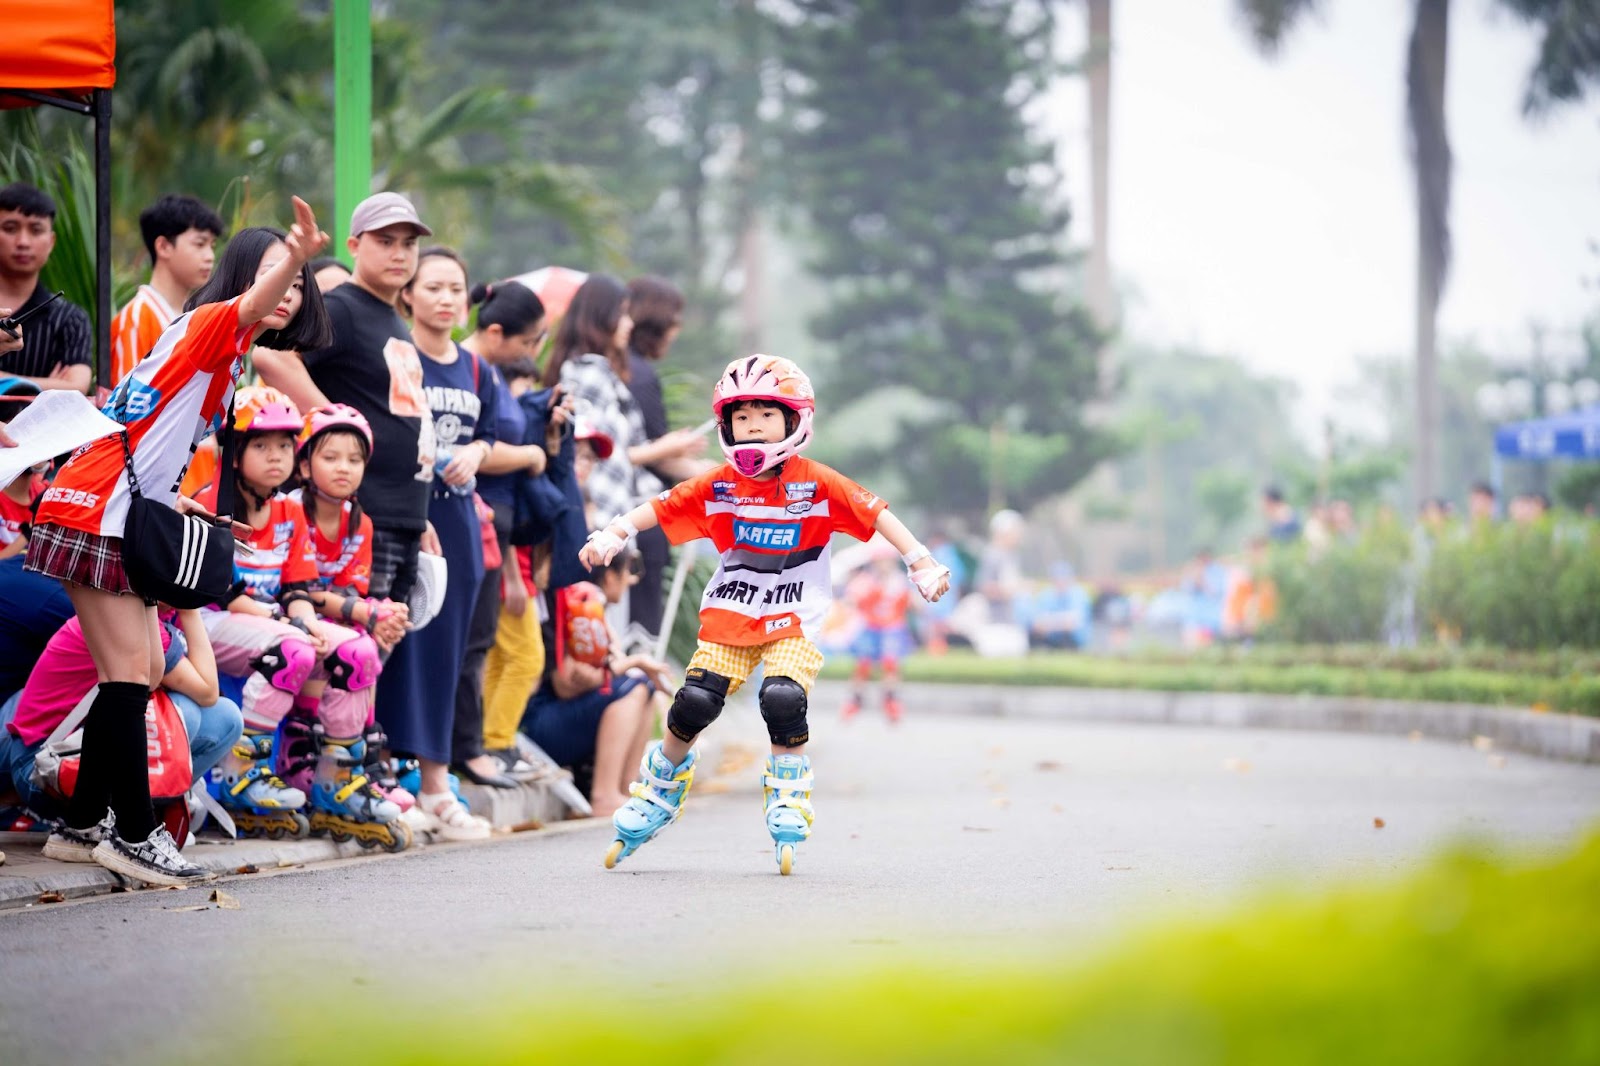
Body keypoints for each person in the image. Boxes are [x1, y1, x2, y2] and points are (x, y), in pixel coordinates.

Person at [23, 195, 331, 886]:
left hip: (112, 504)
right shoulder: (213, 325)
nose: (290, 289)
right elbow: (252, 306)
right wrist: (299, 256)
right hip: (100, 509)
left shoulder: (220, 350)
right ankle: (133, 834)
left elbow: (146, 433)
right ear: (248, 277)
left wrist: (180, 499)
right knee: (131, 676)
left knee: (126, 678)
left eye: (301, 282)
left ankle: (83, 828)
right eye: (279, 272)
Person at [580, 354, 951, 874]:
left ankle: (788, 791)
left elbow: (876, 513)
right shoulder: (721, 483)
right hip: (732, 610)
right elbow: (662, 506)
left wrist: (922, 562)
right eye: (742, 416)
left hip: (794, 615)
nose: (752, 426)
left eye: (766, 415)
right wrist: (614, 533)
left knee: (782, 697)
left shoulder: (816, 482)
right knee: (694, 702)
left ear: (795, 419)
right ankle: (660, 785)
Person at [198, 388, 407, 847]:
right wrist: (292, 625)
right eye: (261, 446)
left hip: (271, 623)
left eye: (284, 447)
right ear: (235, 453)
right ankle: (239, 774)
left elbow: (297, 589)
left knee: (357, 650)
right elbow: (229, 597)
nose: (276, 457)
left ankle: (337, 783)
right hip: (210, 625)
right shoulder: (216, 505)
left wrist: (306, 621)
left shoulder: (290, 510)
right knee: (290, 648)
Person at [253, 191, 437, 610]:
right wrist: (334, 424)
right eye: (385, 241)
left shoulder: (391, 318)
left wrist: (418, 514)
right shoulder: (344, 308)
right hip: (360, 513)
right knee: (351, 658)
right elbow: (269, 353)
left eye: (409, 243)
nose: (399, 253)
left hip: (402, 515)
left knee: (377, 655)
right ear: (354, 246)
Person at [389, 247, 498, 839]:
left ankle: (436, 785)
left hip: (458, 523)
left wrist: (478, 453)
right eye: (433, 287)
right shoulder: (398, 356)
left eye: (456, 287)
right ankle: (387, 776)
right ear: (409, 293)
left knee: (448, 654)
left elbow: (495, 436)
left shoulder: (478, 369)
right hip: (408, 515)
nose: (447, 298)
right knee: (397, 646)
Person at [1, 607, 243, 839]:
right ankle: (127, 825)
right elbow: (207, 691)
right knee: (183, 711)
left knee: (226, 718)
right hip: (41, 769)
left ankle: (143, 815)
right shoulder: (129, 620)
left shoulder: (153, 618)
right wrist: (190, 611)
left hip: (67, 755)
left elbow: (212, 699)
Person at [542, 275, 702, 620]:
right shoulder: (588, 373)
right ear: (602, 317)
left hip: (609, 520)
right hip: (597, 517)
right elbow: (598, 452)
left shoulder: (598, 372)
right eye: (623, 313)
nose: (629, 324)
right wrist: (665, 448)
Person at [460, 281, 565, 776]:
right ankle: (479, 747)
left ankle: (482, 745)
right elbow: (471, 450)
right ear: (497, 331)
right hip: (475, 522)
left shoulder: (494, 374)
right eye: (528, 343)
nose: (532, 354)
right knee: (492, 651)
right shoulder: (471, 369)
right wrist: (529, 454)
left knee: (487, 649)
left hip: (497, 530)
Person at [523, 551, 672, 816]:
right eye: (628, 572)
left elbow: (609, 668)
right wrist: (634, 663)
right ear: (611, 576)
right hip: (540, 724)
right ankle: (604, 795)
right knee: (633, 688)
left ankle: (625, 790)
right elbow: (567, 682)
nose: (632, 581)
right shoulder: (574, 607)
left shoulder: (592, 608)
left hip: (562, 721)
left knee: (643, 687)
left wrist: (632, 667)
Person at [623, 276, 707, 639]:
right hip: (641, 518)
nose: (677, 328)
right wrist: (712, 474)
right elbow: (654, 455)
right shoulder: (638, 375)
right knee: (641, 635)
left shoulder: (610, 368)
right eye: (674, 318)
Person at [110, 194, 225, 386]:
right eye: (200, 244)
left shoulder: (195, 315)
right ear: (163, 246)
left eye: (212, 246)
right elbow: (125, 407)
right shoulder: (136, 319)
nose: (210, 256)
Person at [0, 183, 92, 393]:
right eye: (10, 229)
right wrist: (47, 386)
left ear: (51, 242)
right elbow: (64, 389)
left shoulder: (70, 319)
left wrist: (3, 380)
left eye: (36, 230)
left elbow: (76, 388)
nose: (23, 242)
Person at [840, 547, 914, 722]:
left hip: (892, 628)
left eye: (887, 562)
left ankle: (890, 699)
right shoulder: (866, 581)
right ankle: (855, 699)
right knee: (863, 664)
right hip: (871, 627)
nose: (884, 566)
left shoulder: (899, 581)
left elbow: (909, 603)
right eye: (881, 562)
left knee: (890, 663)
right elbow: (852, 600)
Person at [1023, 561, 1093, 650]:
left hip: (1072, 639)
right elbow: (1036, 621)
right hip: (1050, 637)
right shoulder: (1046, 594)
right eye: (1056, 578)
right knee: (1033, 635)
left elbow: (1072, 622)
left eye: (1063, 578)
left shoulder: (1078, 594)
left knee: (1067, 635)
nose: (1060, 581)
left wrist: (1050, 624)